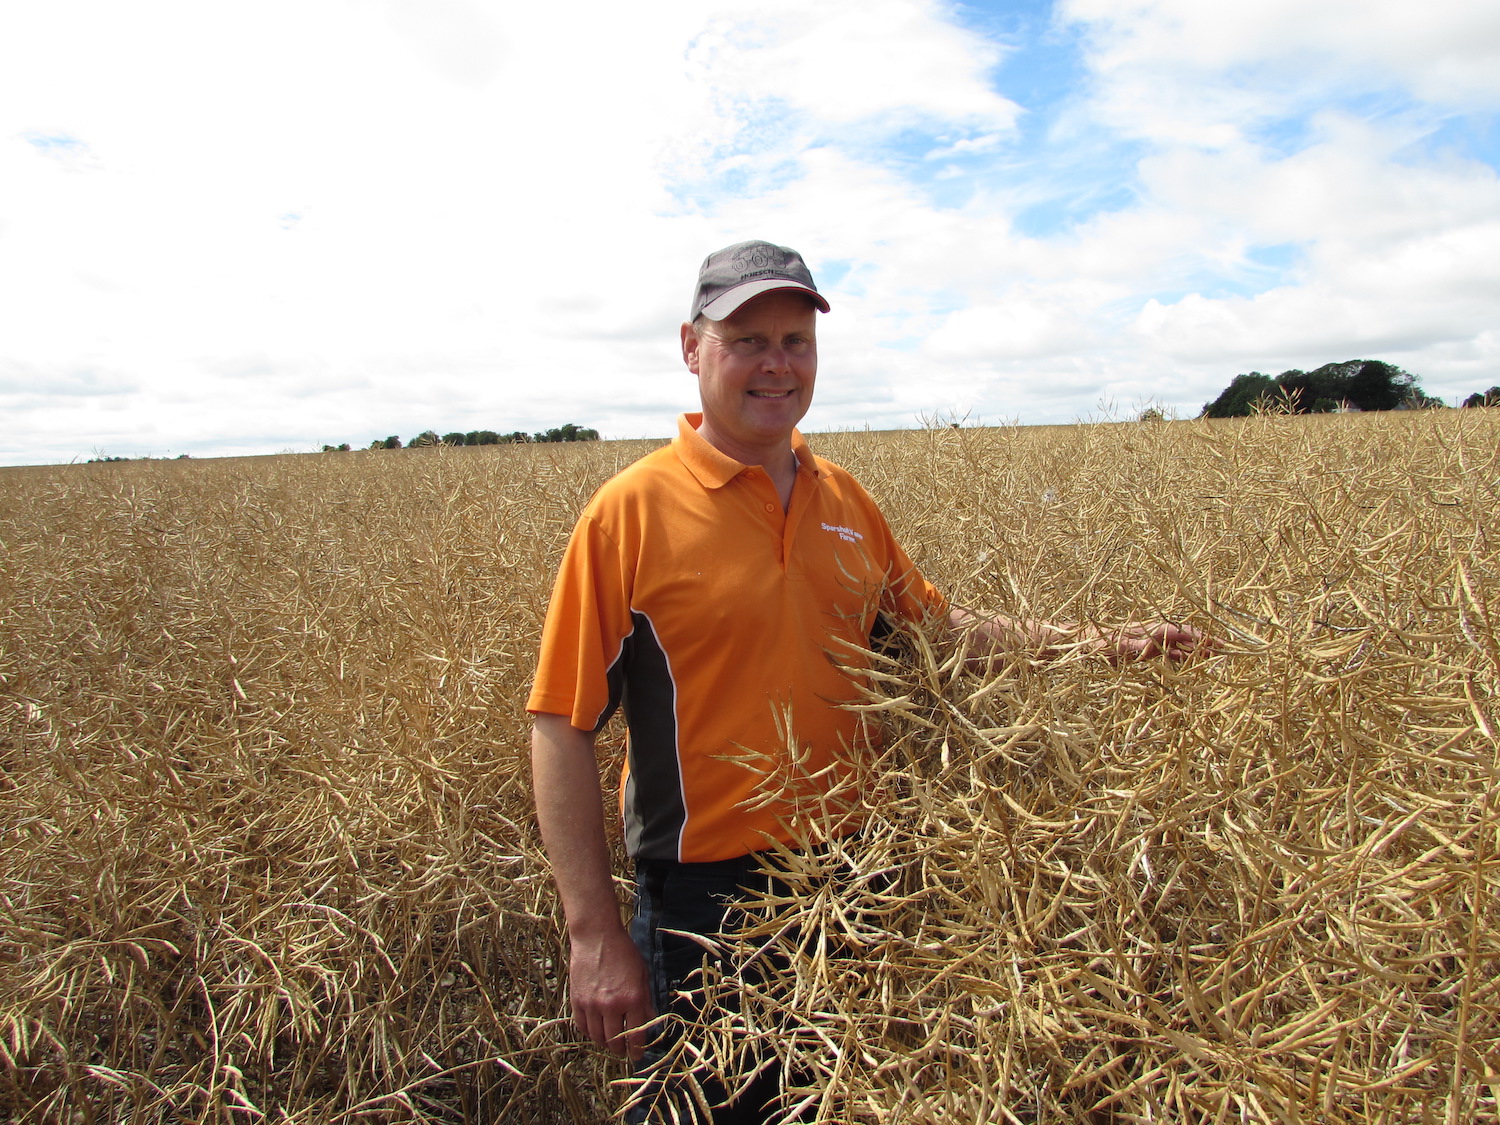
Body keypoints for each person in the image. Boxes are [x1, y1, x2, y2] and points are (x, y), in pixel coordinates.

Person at [527, 240, 1205, 1123]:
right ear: (692, 348)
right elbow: (559, 722)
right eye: (747, 340)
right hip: (706, 902)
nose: (776, 363)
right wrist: (593, 933)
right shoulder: (628, 515)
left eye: (796, 341)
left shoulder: (844, 501)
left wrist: (1109, 644)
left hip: (856, 881)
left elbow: (945, 638)